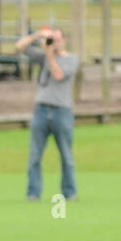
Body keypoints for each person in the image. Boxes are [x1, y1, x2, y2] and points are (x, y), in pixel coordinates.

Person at [15, 26, 79, 202]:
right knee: (35, 155)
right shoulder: (43, 55)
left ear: (64, 41)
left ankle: (70, 192)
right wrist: (37, 35)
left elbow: (58, 75)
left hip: (62, 111)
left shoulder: (71, 59)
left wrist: (49, 54)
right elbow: (19, 46)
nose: (54, 43)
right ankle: (33, 193)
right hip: (41, 110)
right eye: (52, 39)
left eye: (57, 39)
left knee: (66, 155)